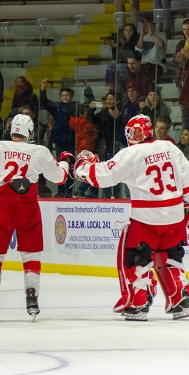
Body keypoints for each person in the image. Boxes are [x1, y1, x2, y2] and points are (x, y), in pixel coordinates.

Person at [74, 114, 189, 321]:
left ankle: (139, 301)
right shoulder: (170, 147)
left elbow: (103, 176)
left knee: (136, 256)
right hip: (174, 214)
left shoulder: (131, 154)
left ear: (137, 133)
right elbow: (187, 178)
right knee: (172, 255)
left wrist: (82, 165)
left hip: (147, 217)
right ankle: (180, 297)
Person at [0, 114, 71, 321]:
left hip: (3, 208)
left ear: (11, 130)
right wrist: (65, 162)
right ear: (30, 132)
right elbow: (59, 178)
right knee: (31, 256)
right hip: (28, 207)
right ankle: (32, 298)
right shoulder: (40, 150)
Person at [40, 79, 76, 197]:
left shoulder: (74, 107)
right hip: (60, 139)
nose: (64, 97)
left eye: (67, 95)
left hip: (71, 139)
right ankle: (61, 190)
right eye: (63, 95)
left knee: (70, 165)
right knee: (61, 164)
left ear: (71, 97)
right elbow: (44, 102)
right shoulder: (57, 106)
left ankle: (69, 191)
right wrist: (43, 88)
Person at [87, 91, 121, 198]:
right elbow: (92, 120)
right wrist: (91, 109)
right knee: (104, 169)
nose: (109, 101)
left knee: (114, 170)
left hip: (114, 145)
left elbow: (121, 126)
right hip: (103, 144)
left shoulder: (119, 112)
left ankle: (114, 194)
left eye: (112, 99)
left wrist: (116, 118)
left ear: (117, 101)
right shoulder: (103, 112)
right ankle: (106, 194)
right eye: (108, 99)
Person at [104, 23, 140, 91]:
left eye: (130, 30)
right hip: (122, 62)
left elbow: (133, 54)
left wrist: (124, 45)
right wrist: (114, 47)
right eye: (126, 30)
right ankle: (112, 90)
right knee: (110, 65)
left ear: (133, 31)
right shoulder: (121, 40)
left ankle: (126, 87)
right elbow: (116, 57)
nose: (128, 32)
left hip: (133, 63)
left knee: (120, 66)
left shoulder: (136, 40)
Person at [135, 15, 167, 82]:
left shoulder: (161, 34)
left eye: (147, 22)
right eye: (144, 23)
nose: (146, 25)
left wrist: (151, 33)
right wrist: (142, 34)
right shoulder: (144, 37)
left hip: (156, 63)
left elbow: (160, 44)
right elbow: (138, 50)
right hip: (144, 64)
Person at [173, 19, 189, 130]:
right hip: (182, 81)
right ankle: (185, 137)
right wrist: (178, 59)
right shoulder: (181, 44)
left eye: (188, 29)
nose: (186, 32)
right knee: (184, 111)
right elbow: (175, 62)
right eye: (184, 29)